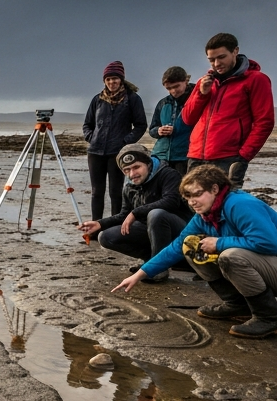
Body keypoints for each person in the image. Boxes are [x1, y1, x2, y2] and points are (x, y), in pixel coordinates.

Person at [113, 165, 277, 339]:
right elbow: (178, 246)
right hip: (270, 268)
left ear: (215, 189)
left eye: (197, 194)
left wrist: (219, 243)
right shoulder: (205, 215)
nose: (192, 202)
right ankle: (237, 305)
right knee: (191, 247)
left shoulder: (240, 204)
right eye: (188, 197)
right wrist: (141, 274)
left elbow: (269, 244)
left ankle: (270, 318)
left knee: (231, 256)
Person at [77, 144, 191, 280]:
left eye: (136, 167)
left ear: (148, 163)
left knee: (156, 214)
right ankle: (151, 260)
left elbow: (171, 201)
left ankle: (159, 268)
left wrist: (135, 212)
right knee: (105, 237)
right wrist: (100, 223)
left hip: (183, 231)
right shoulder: (130, 187)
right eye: (126, 170)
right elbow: (124, 215)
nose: (132, 174)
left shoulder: (168, 174)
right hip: (153, 231)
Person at [182, 33, 274, 188]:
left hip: (228, 158)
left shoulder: (256, 79)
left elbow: (264, 122)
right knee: (195, 206)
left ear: (235, 51)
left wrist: (243, 156)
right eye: (211, 60)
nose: (216, 63)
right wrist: (201, 94)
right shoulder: (204, 82)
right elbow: (187, 119)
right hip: (196, 156)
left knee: (225, 206)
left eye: (221, 57)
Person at [83, 61, 148, 220]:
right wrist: (92, 138)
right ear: (104, 81)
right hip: (95, 153)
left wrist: (125, 142)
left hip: (117, 154)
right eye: (108, 79)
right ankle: (95, 227)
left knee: (115, 191)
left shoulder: (132, 99)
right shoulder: (97, 99)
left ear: (121, 79)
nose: (112, 82)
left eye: (115, 79)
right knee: (97, 192)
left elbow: (140, 125)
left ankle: (114, 227)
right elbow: (87, 124)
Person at [147, 66, 193, 174]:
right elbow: (152, 129)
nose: (173, 91)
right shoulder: (163, 103)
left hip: (185, 156)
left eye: (176, 86)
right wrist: (159, 131)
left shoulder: (195, 101)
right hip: (161, 156)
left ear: (186, 81)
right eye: (169, 88)